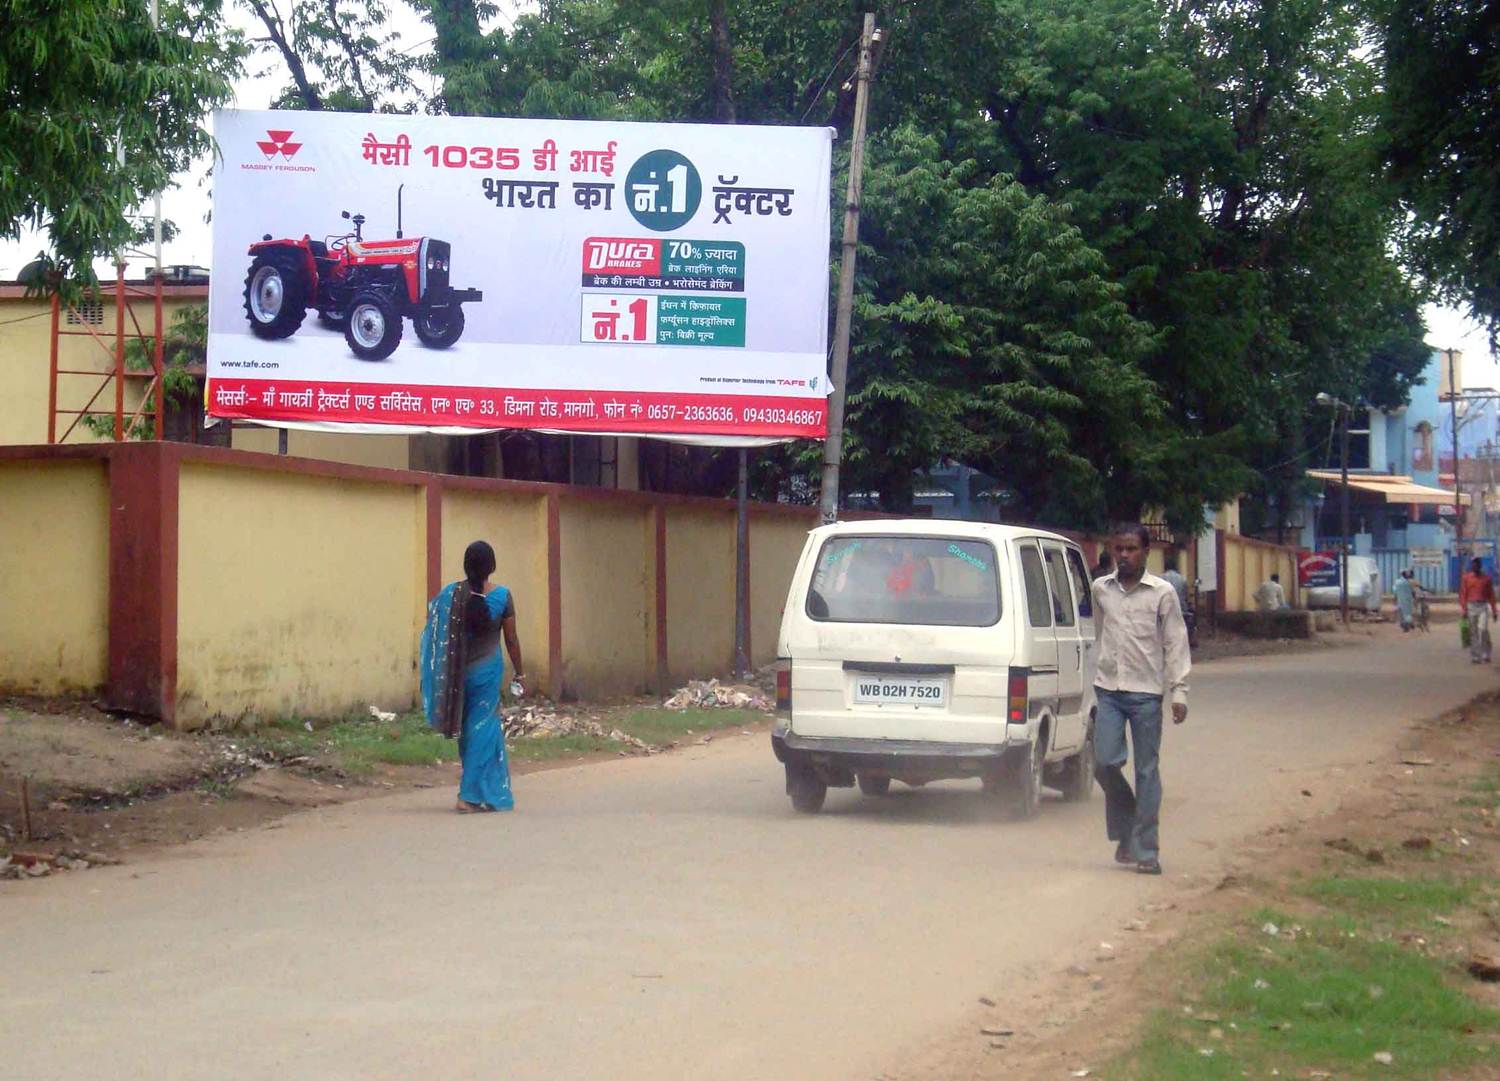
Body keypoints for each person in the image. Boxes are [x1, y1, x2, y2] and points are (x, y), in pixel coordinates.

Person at [1091, 524, 1191, 876]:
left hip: (1146, 694)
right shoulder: (1101, 589)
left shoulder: (1162, 593)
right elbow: (1099, 634)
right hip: (1109, 690)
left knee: (1147, 771)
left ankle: (1145, 850)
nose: (1124, 555)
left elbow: (1175, 643)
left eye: (1131, 549)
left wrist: (1179, 692)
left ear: (1146, 552)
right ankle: (1128, 824)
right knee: (1103, 762)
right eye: (1119, 548)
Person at [421, 540, 527, 812]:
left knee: (468, 731)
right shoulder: (503, 596)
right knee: (484, 728)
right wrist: (520, 671)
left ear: (466, 566)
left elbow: (433, 630)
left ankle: (483, 790)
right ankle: (468, 795)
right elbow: (512, 640)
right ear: (492, 566)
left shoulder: (451, 595)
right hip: (487, 672)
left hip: (457, 675)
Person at [1459, 558, 1498, 664]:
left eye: (1476, 565)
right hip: (1471, 606)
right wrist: (1464, 609)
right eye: (1473, 565)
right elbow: (1463, 594)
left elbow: (1491, 595)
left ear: (1480, 566)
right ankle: (1475, 656)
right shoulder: (1466, 578)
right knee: (1473, 632)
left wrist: (1494, 611)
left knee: (1483, 629)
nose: (1474, 567)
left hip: (1482, 606)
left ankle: (1486, 652)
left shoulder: (1486, 579)